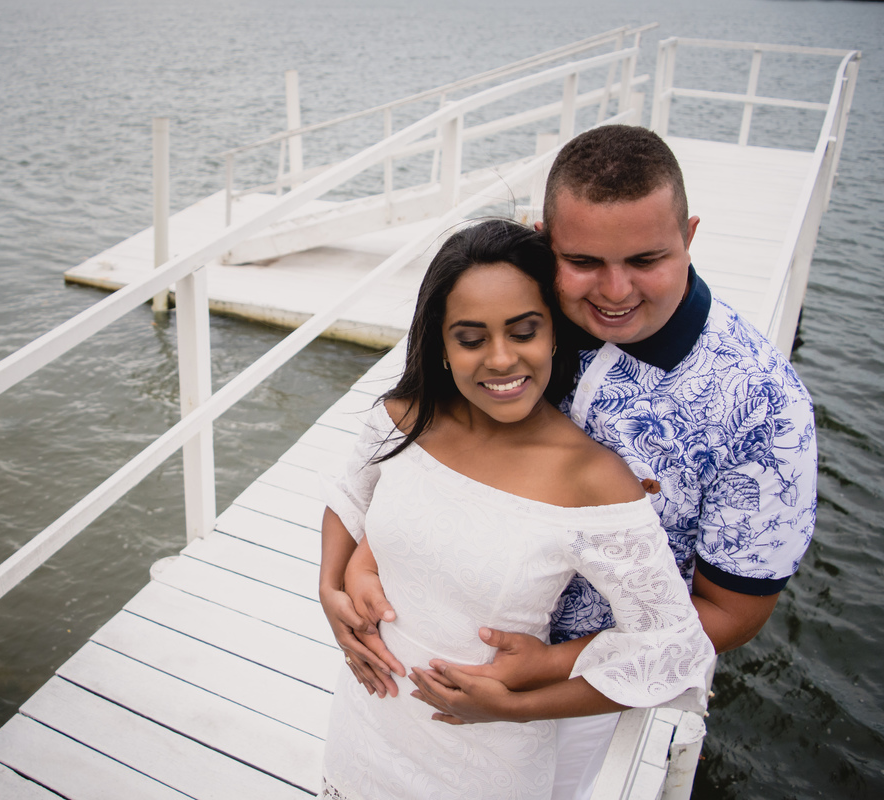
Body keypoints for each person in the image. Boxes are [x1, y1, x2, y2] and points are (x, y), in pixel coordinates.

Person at [328, 125, 819, 800]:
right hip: (425, 633)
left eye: (647, 258)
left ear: (691, 236)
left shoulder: (764, 408)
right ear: (545, 240)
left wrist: (546, 669)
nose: (615, 291)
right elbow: (425, 446)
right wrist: (365, 558)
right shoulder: (527, 310)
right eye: (585, 260)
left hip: (580, 684)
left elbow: (733, 612)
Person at [317, 219, 715, 800]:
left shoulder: (592, 480)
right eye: (472, 339)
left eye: (523, 331)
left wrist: (518, 705)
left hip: (481, 765)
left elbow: (674, 650)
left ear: (553, 332)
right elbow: (350, 495)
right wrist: (331, 585)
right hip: (364, 727)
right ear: (443, 346)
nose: (501, 359)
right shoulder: (405, 417)